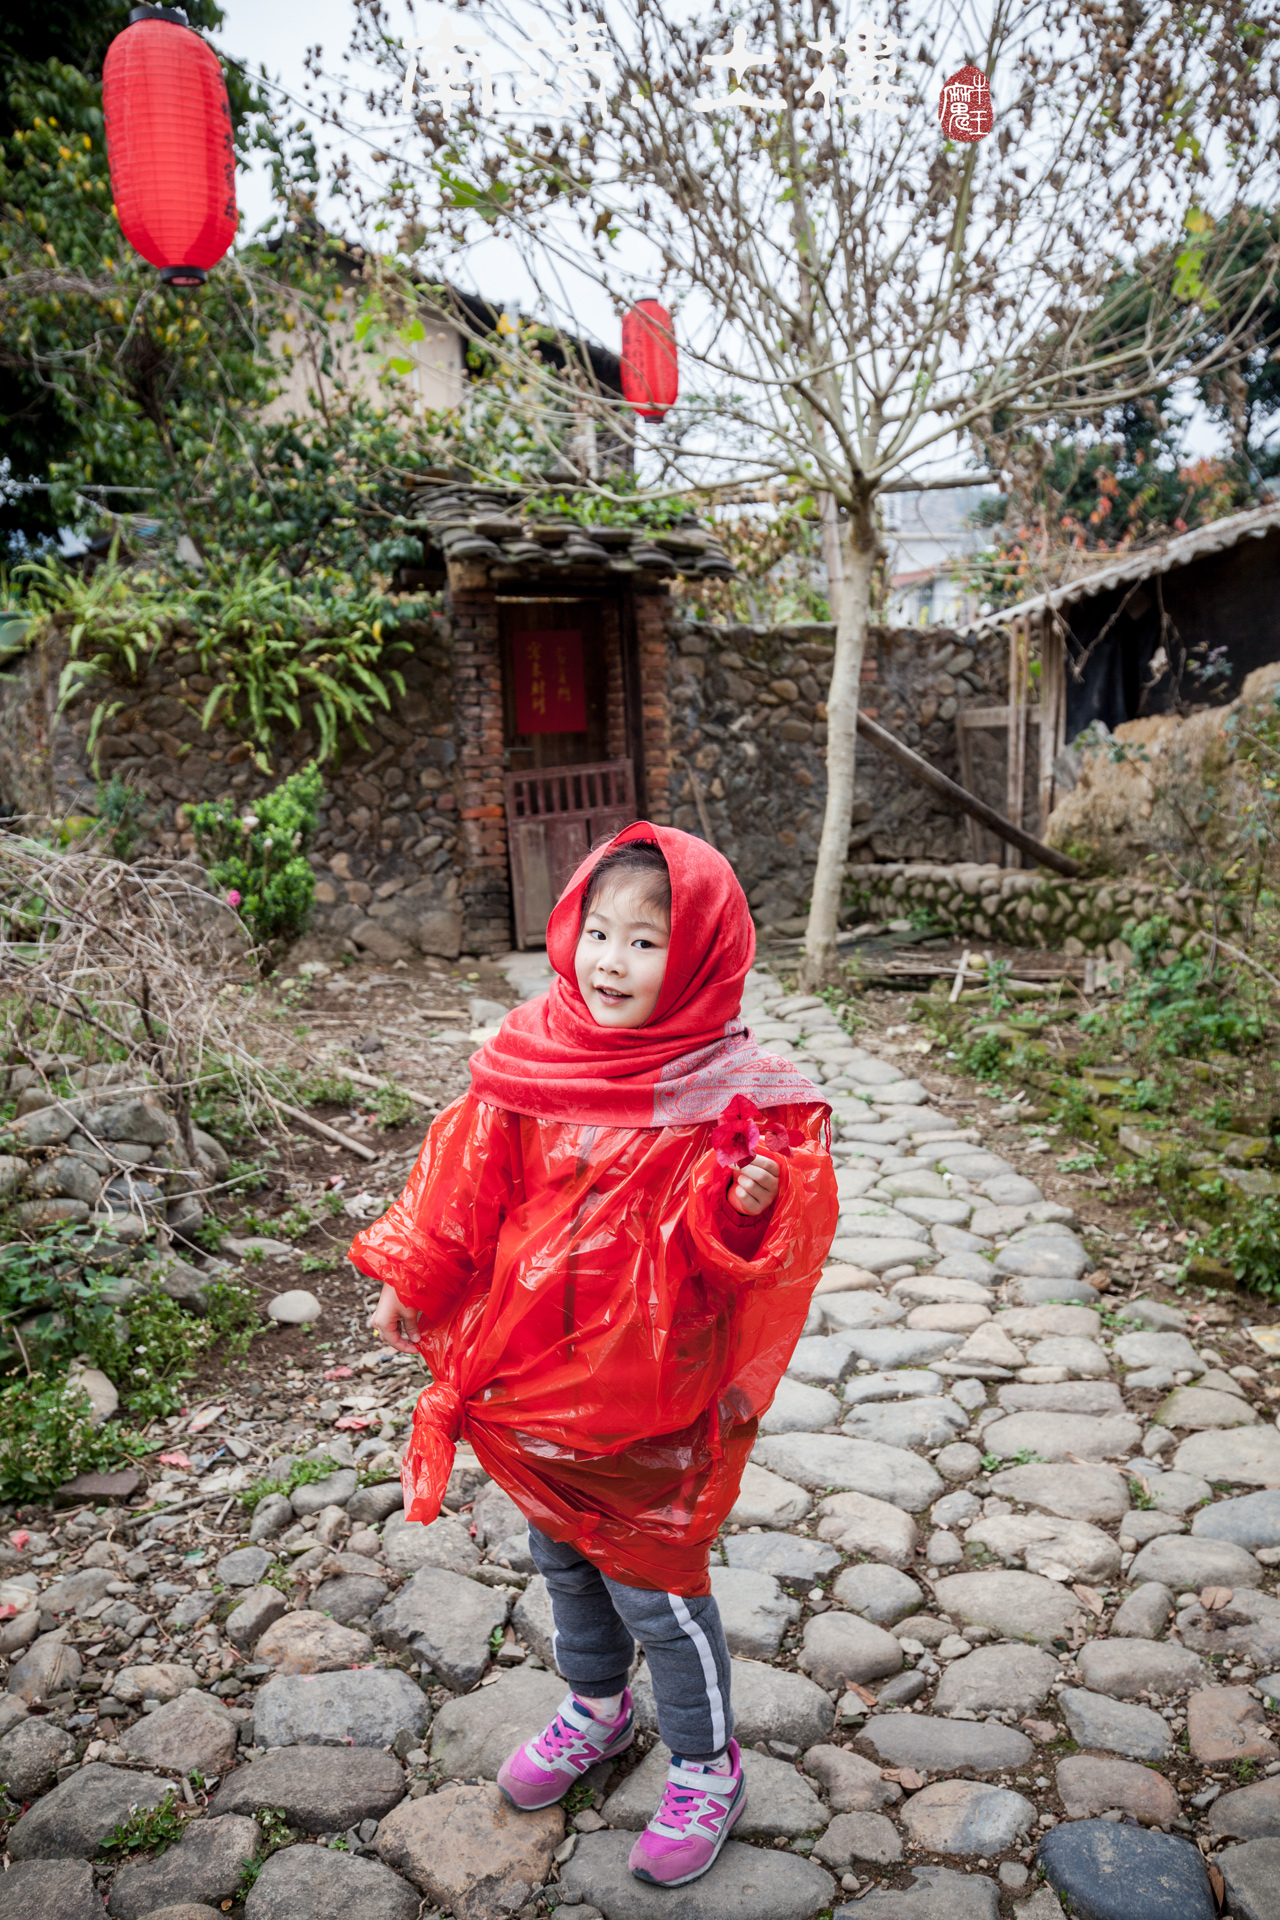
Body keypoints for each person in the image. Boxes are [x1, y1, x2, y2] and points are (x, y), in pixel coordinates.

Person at [350, 822, 837, 1888]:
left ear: (704, 952)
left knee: (655, 1581)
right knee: (561, 1560)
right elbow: (463, 1190)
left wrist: (748, 1206)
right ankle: (596, 1709)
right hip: (529, 1384)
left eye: (647, 942)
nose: (611, 962)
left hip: (646, 1397)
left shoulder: (729, 1090)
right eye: (598, 932)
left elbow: (763, 1237)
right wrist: (414, 1280)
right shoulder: (532, 1055)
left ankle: (707, 1764)